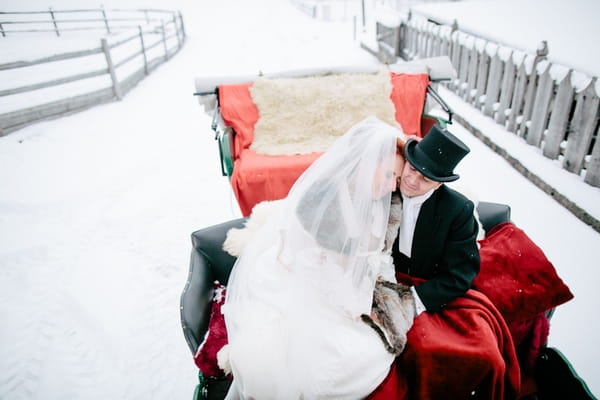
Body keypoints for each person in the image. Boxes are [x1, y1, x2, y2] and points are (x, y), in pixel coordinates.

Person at [222, 117, 412, 400]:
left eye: (396, 179)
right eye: (387, 176)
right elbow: (308, 262)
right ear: (365, 163)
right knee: (331, 361)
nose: (392, 187)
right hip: (300, 274)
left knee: (366, 352)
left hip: (344, 280)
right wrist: (353, 301)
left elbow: (375, 256)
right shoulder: (320, 198)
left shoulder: (382, 203)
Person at [391, 123, 480, 314]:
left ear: (439, 184)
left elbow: (459, 275)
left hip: (430, 292)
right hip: (385, 280)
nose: (413, 181)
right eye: (412, 169)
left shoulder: (458, 211)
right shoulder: (386, 188)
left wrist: (409, 301)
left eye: (426, 179)